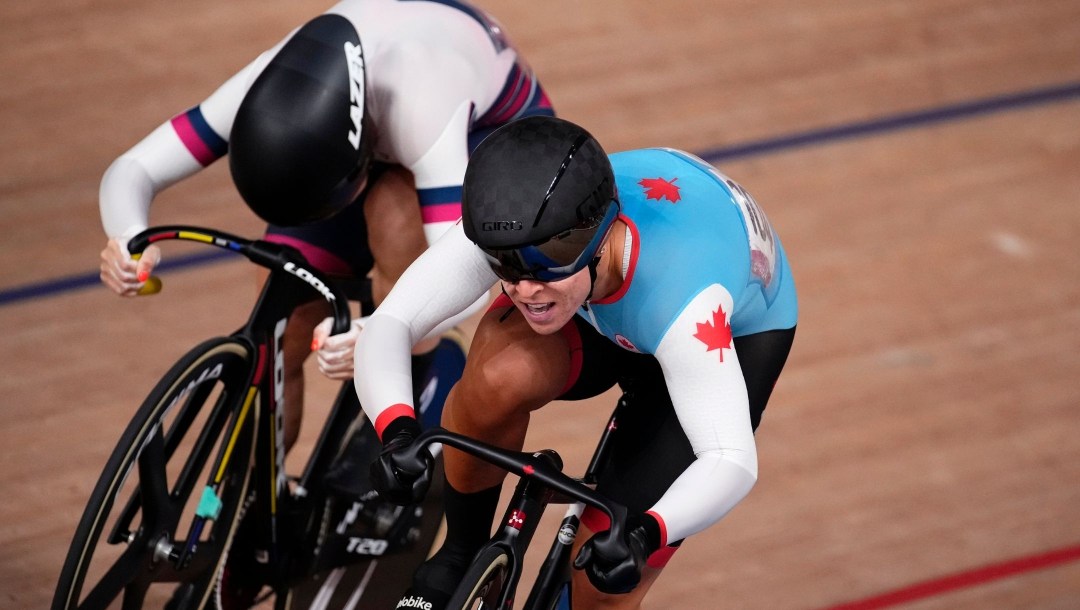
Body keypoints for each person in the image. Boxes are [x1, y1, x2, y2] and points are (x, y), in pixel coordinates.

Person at [351, 116, 798, 608]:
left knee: (603, 585)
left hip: (723, 330)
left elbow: (730, 460)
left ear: (599, 238)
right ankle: (461, 551)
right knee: (498, 378)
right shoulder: (517, 226)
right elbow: (392, 322)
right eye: (505, 267)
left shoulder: (686, 299)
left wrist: (647, 534)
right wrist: (396, 430)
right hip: (599, 303)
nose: (523, 288)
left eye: (544, 267)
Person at [96, 0, 556, 466]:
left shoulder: (423, 102)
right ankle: (256, 498)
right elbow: (133, 168)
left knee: (395, 217)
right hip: (368, 133)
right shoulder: (263, 82)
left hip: (488, 129)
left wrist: (387, 331)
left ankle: (414, 384)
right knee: (281, 320)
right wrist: (128, 239)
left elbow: (469, 263)